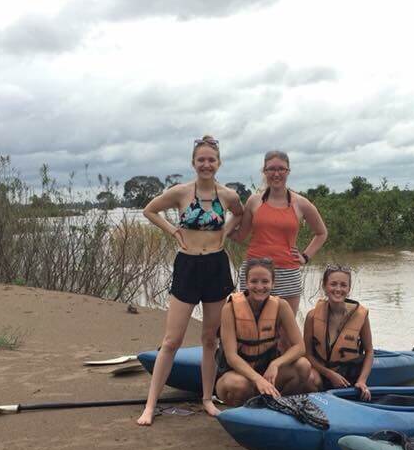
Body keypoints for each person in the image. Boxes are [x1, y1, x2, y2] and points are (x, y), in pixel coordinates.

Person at [136, 136, 244, 424]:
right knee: (172, 340)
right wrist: (173, 231)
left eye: (211, 160)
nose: (206, 164)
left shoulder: (228, 195)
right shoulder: (181, 192)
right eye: (201, 160)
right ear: (193, 163)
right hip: (187, 265)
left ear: (219, 163)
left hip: (216, 266)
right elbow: (150, 210)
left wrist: (225, 233)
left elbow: (240, 214)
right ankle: (150, 404)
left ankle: (207, 399)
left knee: (210, 339)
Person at [231, 150, 327, 316]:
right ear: (264, 171)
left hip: (287, 272)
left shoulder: (301, 203)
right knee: (250, 326)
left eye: (281, 169)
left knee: (285, 330)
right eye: (271, 169)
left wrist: (305, 256)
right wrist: (217, 228)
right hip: (254, 272)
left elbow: (322, 233)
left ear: (288, 171)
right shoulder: (254, 201)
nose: (276, 174)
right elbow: (240, 236)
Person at [215, 257, 314, 407]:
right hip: (237, 376)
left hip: (267, 373)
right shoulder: (229, 309)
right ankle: (244, 413)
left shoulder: (281, 306)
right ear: (246, 283)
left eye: (265, 282)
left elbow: (299, 347)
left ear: (273, 283)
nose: (259, 287)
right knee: (238, 385)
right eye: (254, 281)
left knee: (303, 366)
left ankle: (277, 404)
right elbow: (231, 357)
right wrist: (257, 379)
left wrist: (276, 364)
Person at [305, 265, 373, 401]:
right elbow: (308, 354)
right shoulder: (312, 316)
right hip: (322, 372)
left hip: (348, 375)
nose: (338, 289)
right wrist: (329, 374)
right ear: (324, 286)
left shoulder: (361, 316)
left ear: (349, 289)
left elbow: (369, 351)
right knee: (310, 378)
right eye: (333, 284)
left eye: (343, 285)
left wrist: (362, 381)